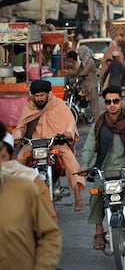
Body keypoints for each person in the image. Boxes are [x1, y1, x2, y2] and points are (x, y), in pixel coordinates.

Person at [79, 85, 125, 250]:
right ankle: (99, 231)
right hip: (104, 171)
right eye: (108, 102)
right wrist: (84, 165)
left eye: (115, 101)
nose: (112, 104)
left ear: (122, 102)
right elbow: (89, 148)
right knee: (96, 192)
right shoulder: (98, 125)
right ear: (104, 104)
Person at [13, 80, 86, 211]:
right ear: (32, 95)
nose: (39, 98)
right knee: (19, 159)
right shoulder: (29, 107)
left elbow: (70, 122)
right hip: (34, 143)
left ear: (48, 94)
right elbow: (21, 126)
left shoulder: (58, 105)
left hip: (55, 142)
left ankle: (77, 195)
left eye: (42, 95)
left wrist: (67, 134)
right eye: (36, 95)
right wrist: (18, 136)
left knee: (71, 161)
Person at [0, 123, 62, 270]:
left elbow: (49, 230)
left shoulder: (28, 185)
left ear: (10, 155)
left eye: (1, 156)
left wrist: (41, 264)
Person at [0, 124, 58, 223]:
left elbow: (48, 226)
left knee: (68, 159)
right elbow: (21, 127)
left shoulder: (30, 179)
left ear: (12, 156)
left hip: (50, 144)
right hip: (28, 144)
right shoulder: (27, 112)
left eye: (2, 156)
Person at [77, 45, 100, 121]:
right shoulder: (83, 62)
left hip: (91, 86)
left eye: (79, 52)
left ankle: (97, 120)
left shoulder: (89, 61)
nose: (79, 54)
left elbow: (84, 72)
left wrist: (78, 76)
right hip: (85, 85)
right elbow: (79, 71)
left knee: (94, 105)